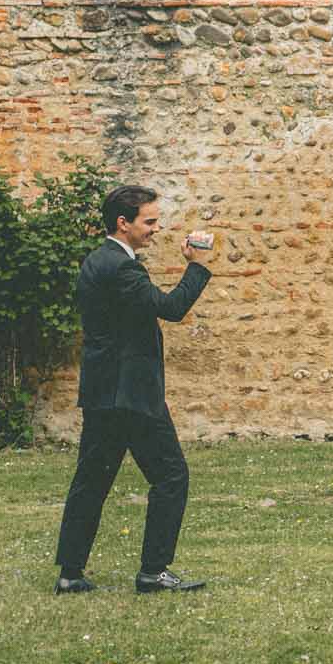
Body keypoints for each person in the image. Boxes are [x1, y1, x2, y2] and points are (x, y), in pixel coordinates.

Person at [52, 184, 214, 594]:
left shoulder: (95, 261)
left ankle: (70, 573)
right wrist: (196, 265)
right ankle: (153, 571)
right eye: (150, 221)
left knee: (91, 481)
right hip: (132, 395)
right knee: (171, 476)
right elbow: (171, 308)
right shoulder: (123, 268)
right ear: (123, 223)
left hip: (104, 393)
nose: (156, 229)